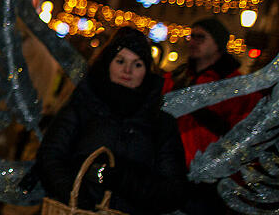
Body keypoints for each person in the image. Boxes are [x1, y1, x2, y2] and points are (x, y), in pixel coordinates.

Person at [36, 27, 187, 215]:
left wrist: (122, 179)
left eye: (137, 64)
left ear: (147, 71)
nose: (127, 70)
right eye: (120, 61)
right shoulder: (82, 108)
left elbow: (173, 190)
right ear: (108, 63)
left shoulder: (161, 124)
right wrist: (75, 196)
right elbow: (50, 157)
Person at [162, 17, 263, 214]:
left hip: (208, 179)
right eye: (192, 37)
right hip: (170, 169)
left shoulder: (237, 86)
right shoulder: (178, 77)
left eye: (201, 37)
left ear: (218, 43)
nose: (193, 42)